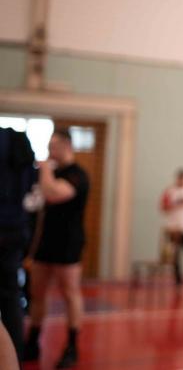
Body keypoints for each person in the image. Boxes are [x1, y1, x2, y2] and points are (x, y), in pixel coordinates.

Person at [22, 129, 90, 368]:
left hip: (68, 244)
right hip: (45, 243)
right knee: (37, 293)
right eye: (49, 146)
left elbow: (52, 193)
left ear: (67, 145)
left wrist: (44, 169)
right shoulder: (52, 173)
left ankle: (72, 344)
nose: (50, 150)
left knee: (70, 293)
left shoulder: (77, 175)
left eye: (54, 145)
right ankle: (33, 341)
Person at [0, 127, 36, 364]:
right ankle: (16, 356)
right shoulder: (18, 142)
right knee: (11, 295)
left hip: (8, 225)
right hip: (15, 228)